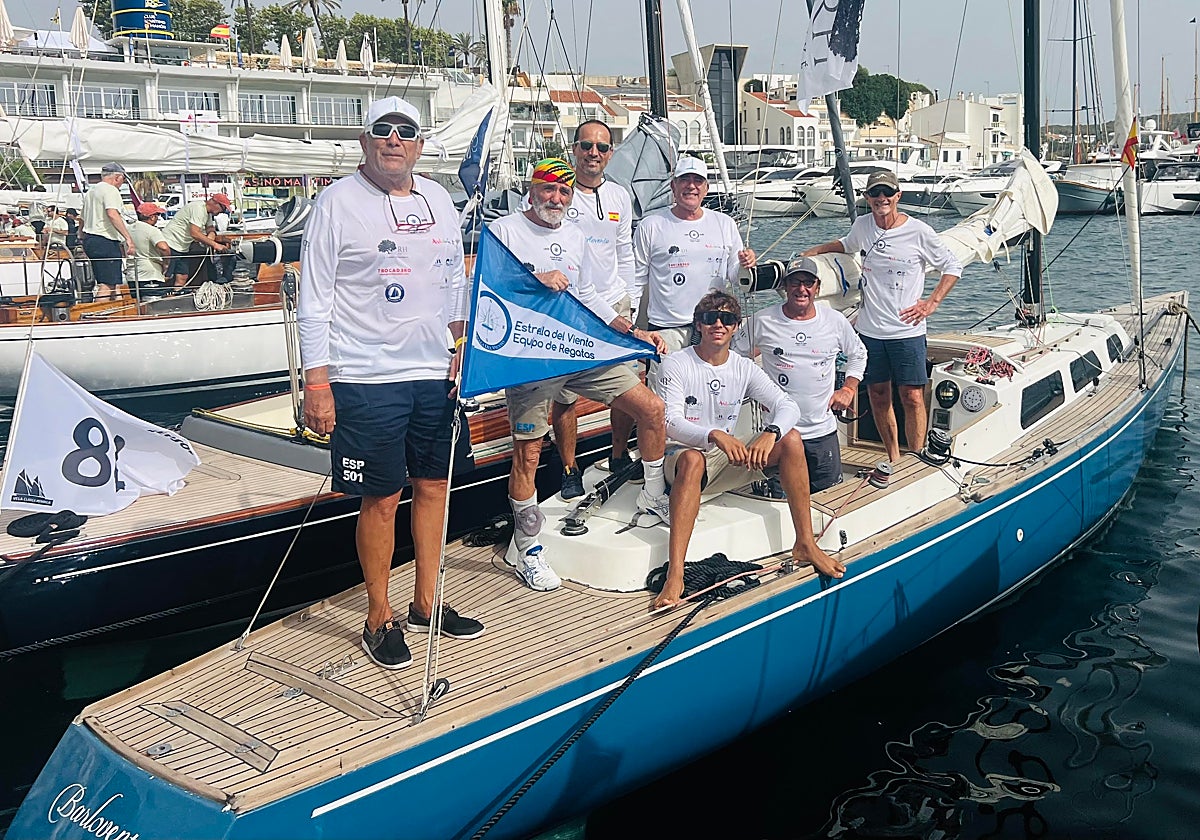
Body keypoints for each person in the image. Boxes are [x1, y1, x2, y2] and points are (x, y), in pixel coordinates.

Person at [298, 95, 483, 670]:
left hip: (435, 372)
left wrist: (462, 350)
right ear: (365, 141)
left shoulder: (438, 200)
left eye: (406, 132)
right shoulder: (336, 203)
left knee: (434, 486)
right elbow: (315, 297)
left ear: (420, 145)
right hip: (364, 375)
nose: (394, 140)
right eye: (383, 131)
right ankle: (379, 615)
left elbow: (456, 282)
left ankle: (427, 602)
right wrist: (317, 384)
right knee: (382, 498)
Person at [489, 158, 671, 593]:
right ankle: (530, 548)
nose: (555, 198)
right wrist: (536, 277)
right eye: (548, 189)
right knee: (528, 455)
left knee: (652, 409)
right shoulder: (505, 230)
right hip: (531, 355)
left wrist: (630, 329)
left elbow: (588, 292)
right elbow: (492, 287)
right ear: (531, 191)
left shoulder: (573, 233)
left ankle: (651, 496)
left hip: (580, 347)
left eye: (564, 192)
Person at [653, 290, 846, 608]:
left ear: (736, 326)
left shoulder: (744, 368)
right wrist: (714, 435)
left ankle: (806, 543)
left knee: (792, 439)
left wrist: (771, 433)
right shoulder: (676, 363)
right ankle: (676, 573)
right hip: (685, 457)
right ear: (698, 325)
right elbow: (670, 423)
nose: (718, 324)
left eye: (726, 319)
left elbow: (786, 405)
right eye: (709, 318)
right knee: (690, 459)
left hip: (729, 458)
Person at [803, 171, 962, 464]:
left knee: (913, 397)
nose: (881, 199)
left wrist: (931, 303)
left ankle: (916, 457)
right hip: (870, 331)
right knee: (877, 395)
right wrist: (815, 252)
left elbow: (952, 265)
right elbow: (846, 244)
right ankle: (893, 457)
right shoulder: (862, 225)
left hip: (907, 331)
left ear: (898, 196)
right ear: (868, 199)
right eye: (875, 194)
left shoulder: (919, 231)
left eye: (887, 193)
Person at [549, 120, 641, 498]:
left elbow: (624, 252)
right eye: (586, 145)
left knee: (627, 387)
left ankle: (619, 455)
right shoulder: (556, 192)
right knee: (565, 394)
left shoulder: (620, 196)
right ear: (574, 149)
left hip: (614, 302)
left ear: (610, 154)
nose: (594, 153)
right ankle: (569, 468)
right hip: (569, 306)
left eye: (602, 148)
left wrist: (630, 302)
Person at [732, 257, 867, 493]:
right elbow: (735, 358)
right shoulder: (762, 321)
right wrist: (758, 392)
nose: (801, 289)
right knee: (781, 503)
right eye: (794, 282)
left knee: (828, 500)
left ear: (817, 287)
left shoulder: (835, 321)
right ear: (785, 287)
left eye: (808, 282)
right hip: (779, 434)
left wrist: (848, 388)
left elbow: (859, 354)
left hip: (822, 432)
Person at [631, 155, 755, 384]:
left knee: (706, 392)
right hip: (667, 330)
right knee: (664, 400)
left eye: (697, 180)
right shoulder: (651, 225)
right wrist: (629, 323)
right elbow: (636, 280)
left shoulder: (725, 223)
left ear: (706, 188)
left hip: (712, 326)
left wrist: (746, 264)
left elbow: (736, 276)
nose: (691, 186)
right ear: (673, 186)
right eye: (684, 179)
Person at [81, 162, 135, 299]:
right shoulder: (111, 190)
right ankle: (98, 315)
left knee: (114, 282)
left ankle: (116, 310)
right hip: (105, 240)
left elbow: (81, 219)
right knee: (107, 284)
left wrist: (81, 236)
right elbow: (112, 214)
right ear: (117, 177)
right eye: (123, 180)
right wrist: (128, 238)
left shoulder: (91, 192)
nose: (122, 184)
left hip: (90, 239)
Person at [162, 193, 231, 288]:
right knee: (166, 276)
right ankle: (159, 297)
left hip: (183, 247)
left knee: (182, 276)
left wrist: (211, 236)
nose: (222, 211)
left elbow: (210, 228)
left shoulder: (207, 213)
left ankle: (177, 297)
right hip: (171, 243)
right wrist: (215, 245)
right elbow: (194, 233)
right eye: (223, 208)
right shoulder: (198, 208)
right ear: (215, 203)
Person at [125, 202, 171, 288]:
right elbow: (164, 248)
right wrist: (166, 264)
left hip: (132, 275)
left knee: (138, 300)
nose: (158, 218)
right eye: (157, 215)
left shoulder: (127, 229)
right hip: (151, 275)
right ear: (152, 217)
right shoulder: (152, 230)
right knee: (154, 301)